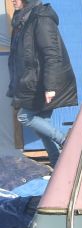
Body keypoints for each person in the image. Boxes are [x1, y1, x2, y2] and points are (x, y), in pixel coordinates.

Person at [6, 0, 76, 164]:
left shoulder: (41, 18)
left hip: (45, 82)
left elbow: (52, 54)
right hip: (34, 82)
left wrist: (50, 86)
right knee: (43, 125)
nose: (13, 0)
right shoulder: (21, 19)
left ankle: (66, 142)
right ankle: (57, 163)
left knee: (25, 117)